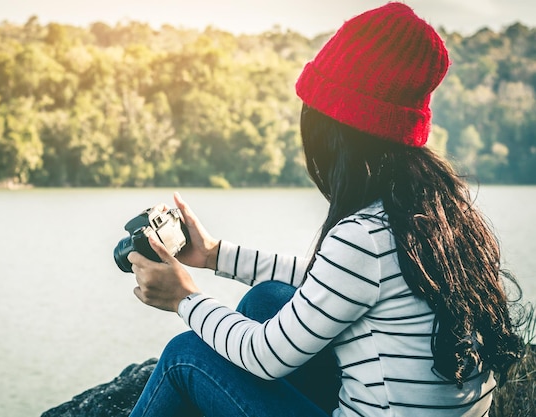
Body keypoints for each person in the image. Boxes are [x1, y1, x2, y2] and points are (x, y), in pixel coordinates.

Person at [126, 3, 525, 416]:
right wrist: (214, 255)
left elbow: (267, 355)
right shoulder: (440, 212)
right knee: (268, 300)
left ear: (335, 131)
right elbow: (332, 283)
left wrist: (184, 299)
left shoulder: (364, 235)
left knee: (185, 357)